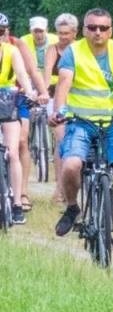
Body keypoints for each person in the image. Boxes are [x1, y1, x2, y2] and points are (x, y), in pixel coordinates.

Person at [51, 8, 113, 250]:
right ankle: (72, 208)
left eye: (103, 28)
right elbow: (64, 83)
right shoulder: (73, 51)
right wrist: (59, 111)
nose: (97, 32)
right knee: (71, 165)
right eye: (92, 27)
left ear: (110, 31)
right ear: (83, 31)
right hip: (81, 122)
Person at [0, 14, 47, 223]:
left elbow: (22, 74)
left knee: (13, 152)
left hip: (7, 102)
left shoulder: (12, 51)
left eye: (2, 31)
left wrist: (30, 93)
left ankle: (17, 203)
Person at [19, 15, 59, 196]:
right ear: (31, 31)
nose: (38, 34)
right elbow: (25, 69)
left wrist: (47, 87)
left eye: (41, 30)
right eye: (35, 31)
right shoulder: (23, 42)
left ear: (46, 30)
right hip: (30, 81)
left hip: (53, 82)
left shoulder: (56, 41)